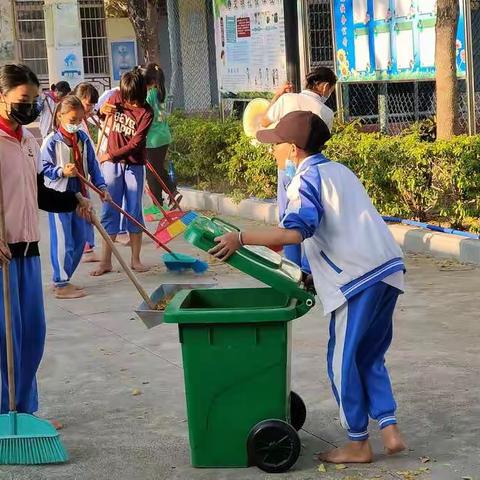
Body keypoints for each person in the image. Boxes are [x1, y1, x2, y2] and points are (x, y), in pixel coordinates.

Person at [211, 111, 407, 464]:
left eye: (277, 146)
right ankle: (390, 429)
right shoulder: (338, 170)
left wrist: (241, 237)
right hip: (388, 270)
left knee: (341, 360)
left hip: (356, 278)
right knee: (369, 354)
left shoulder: (305, 180)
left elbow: (295, 232)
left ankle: (358, 443)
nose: (274, 152)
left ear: (294, 149)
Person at [0, 64, 91, 417]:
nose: (31, 106)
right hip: (2, 255)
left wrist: (73, 200)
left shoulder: (29, 142)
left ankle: (24, 409)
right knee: (4, 339)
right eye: (24, 99)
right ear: (3, 97)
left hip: (28, 252)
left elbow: (39, 194)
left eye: (35, 100)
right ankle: (3, 412)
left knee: (31, 336)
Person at [261, 67, 337, 273]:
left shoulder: (286, 100)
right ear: (325, 87)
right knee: (310, 217)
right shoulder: (326, 112)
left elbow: (264, 121)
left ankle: (292, 269)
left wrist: (277, 95)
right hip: (308, 167)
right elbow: (320, 143)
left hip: (284, 164)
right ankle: (308, 269)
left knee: (288, 219)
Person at [42, 95, 110, 299]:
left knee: (81, 239)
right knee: (64, 241)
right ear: (60, 116)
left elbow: (93, 165)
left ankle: (64, 278)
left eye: (79, 120)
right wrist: (61, 171)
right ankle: (60, 282)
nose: (76, 124)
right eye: (72, 120)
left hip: (81, 195)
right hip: (59, 196)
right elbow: (43, 168)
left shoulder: (83, 138)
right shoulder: (51, 142)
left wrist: (101, 186)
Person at [92, 68, 153, 276]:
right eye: (130, 100)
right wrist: (103, 112)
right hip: (111, 165)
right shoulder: (117, 97)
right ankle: (105, 261)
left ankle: (135, 260)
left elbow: (136, 144)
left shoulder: (146, 112)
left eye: (137, 100)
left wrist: (110, 155)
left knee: (134, 210)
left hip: (134, 164)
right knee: (110, 208)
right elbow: (99, 115)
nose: (133, 104)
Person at [143, 63, 181, 207]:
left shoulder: (150, 94)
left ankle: (162, 200)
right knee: (157, 169)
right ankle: (170, 196)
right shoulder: (161, 92)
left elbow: (143, 113)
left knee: (152, 173)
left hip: (152, 139)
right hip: (163, 136)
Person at [73, 82, 102, 262]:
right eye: (88, 104)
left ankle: (89, 246)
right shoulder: (74, 124)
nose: (90, 108)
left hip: (85, 174)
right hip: (76, 176)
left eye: (92, 105)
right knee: (83, 210)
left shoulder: (84, 120)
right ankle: (85, 246)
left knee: (88, 207)